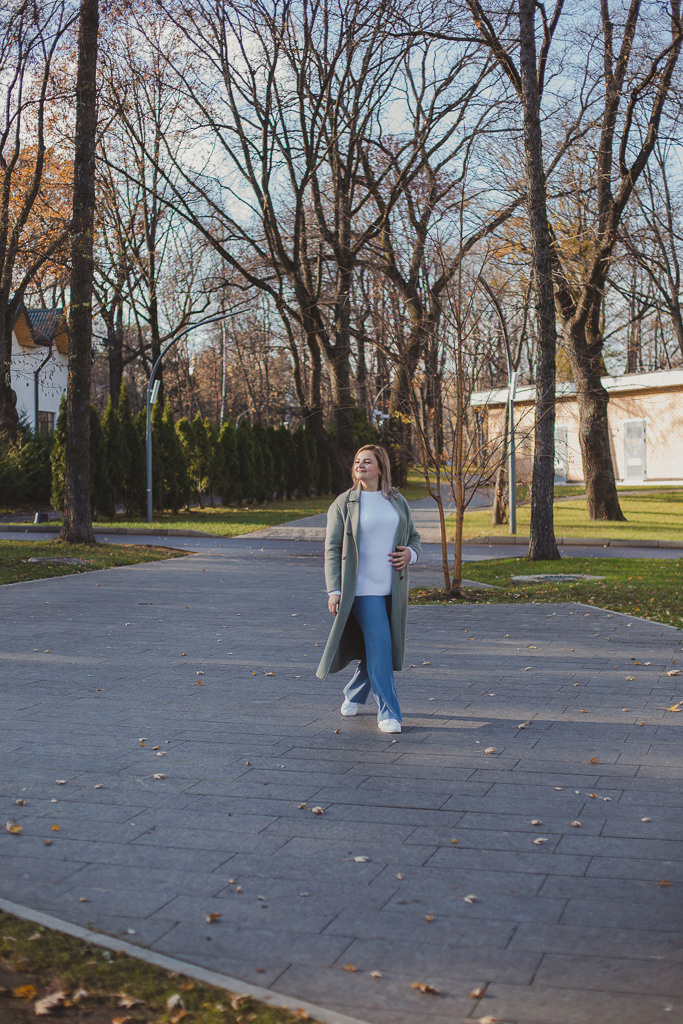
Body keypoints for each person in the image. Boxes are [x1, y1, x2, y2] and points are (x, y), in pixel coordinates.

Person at [316, 444, 421, 734]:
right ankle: (389, 712)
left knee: (379, 647)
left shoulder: (396, 500)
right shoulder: (344, 503)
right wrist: (334, 590)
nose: (360, 465)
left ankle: (353, 693)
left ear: (381, 468)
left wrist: (411, 554)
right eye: (357, 461)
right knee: (380, 642)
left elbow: (413, 536)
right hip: (361, 589)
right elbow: (332, 548)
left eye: (367, 461)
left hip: (393, 589)